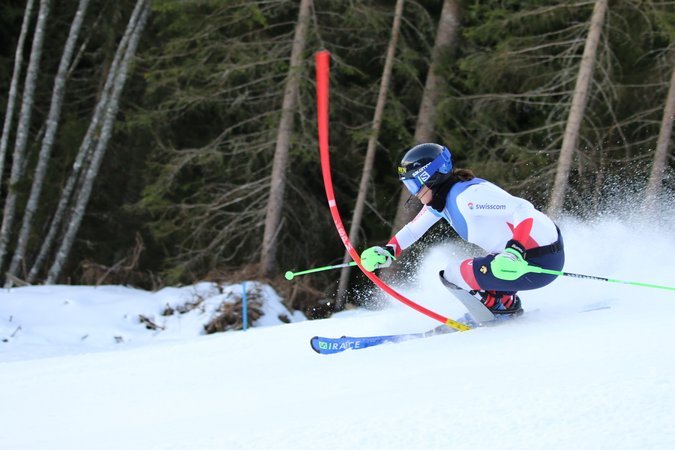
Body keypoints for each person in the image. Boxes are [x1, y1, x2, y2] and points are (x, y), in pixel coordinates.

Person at [360, 143, 564, 315]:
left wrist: (514, 251)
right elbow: (413, 230)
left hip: (536, 263)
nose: (413, 194)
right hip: (531, 260)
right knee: (473, 266)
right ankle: (504, 302)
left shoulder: (467, 198)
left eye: (414, 185)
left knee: (453, 274)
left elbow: (522, 208)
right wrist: (389, 250)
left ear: (431, 177)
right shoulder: (441, 201)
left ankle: (498, 310)